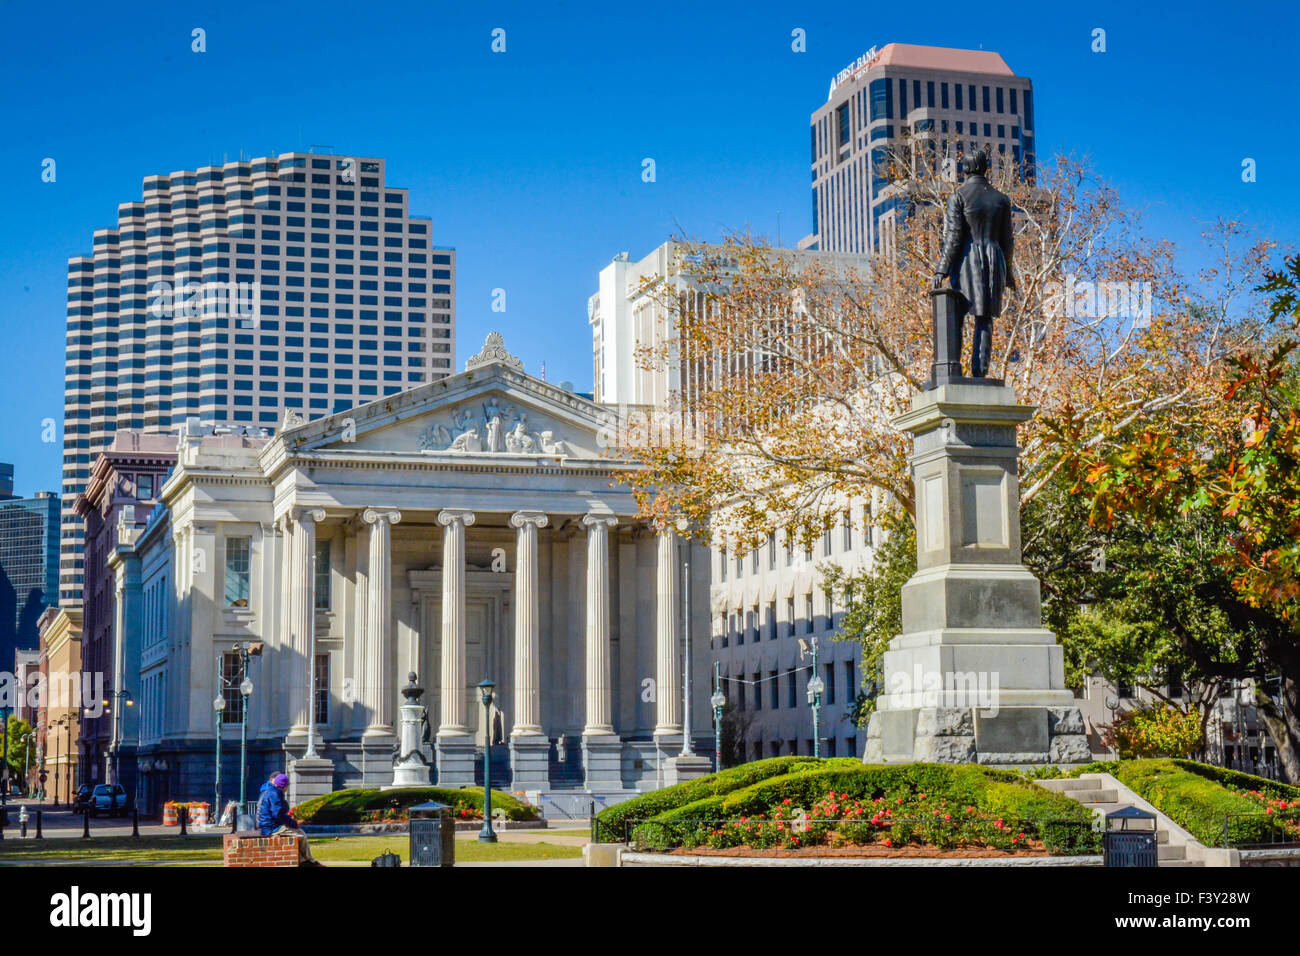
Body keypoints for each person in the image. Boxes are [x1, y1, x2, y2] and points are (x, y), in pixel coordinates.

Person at [932, 149, 1016, 378]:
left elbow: (954, 236)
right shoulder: (1001, 199)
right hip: (994, 259)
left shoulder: (958, 197)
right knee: (984, 318)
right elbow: (1008, 241)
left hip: (967, 260)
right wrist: (1008, 274)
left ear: (965, 170)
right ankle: (980, 373)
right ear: (985, 168)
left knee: (956, 314)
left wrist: (942, 268)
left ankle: (953, 370)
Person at [256, 772, 320, 866]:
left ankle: (302, 860)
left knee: (296, 834)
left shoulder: (271, 791)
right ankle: (309, 860)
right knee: (301, 834)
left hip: (268, 825)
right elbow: (278, 814)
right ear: (285, 786)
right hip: (271, 828)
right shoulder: (275, 794)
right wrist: (293, 823)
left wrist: (289, 820)